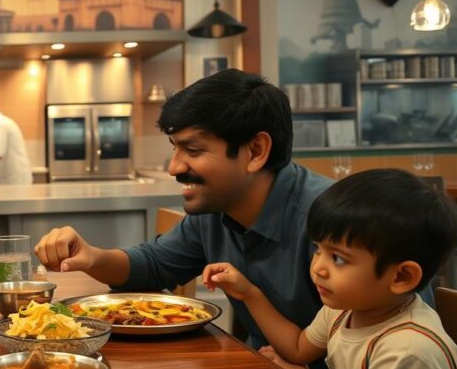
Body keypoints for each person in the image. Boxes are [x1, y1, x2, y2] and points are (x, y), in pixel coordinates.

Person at [34, 69, 341, 351]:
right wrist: (92, 257)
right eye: (174, 148)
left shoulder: (334, 224)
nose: (173, 167)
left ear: (256, 151)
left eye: (193, 150)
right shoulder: (217, 210)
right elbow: (153, 266)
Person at [204, 169, 457, 369]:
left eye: (338, 258)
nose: (318, 268)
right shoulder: (348, 307)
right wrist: (250, 294)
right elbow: (298, 349)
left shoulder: (407, 349)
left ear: (402, 276)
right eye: (318, 249)